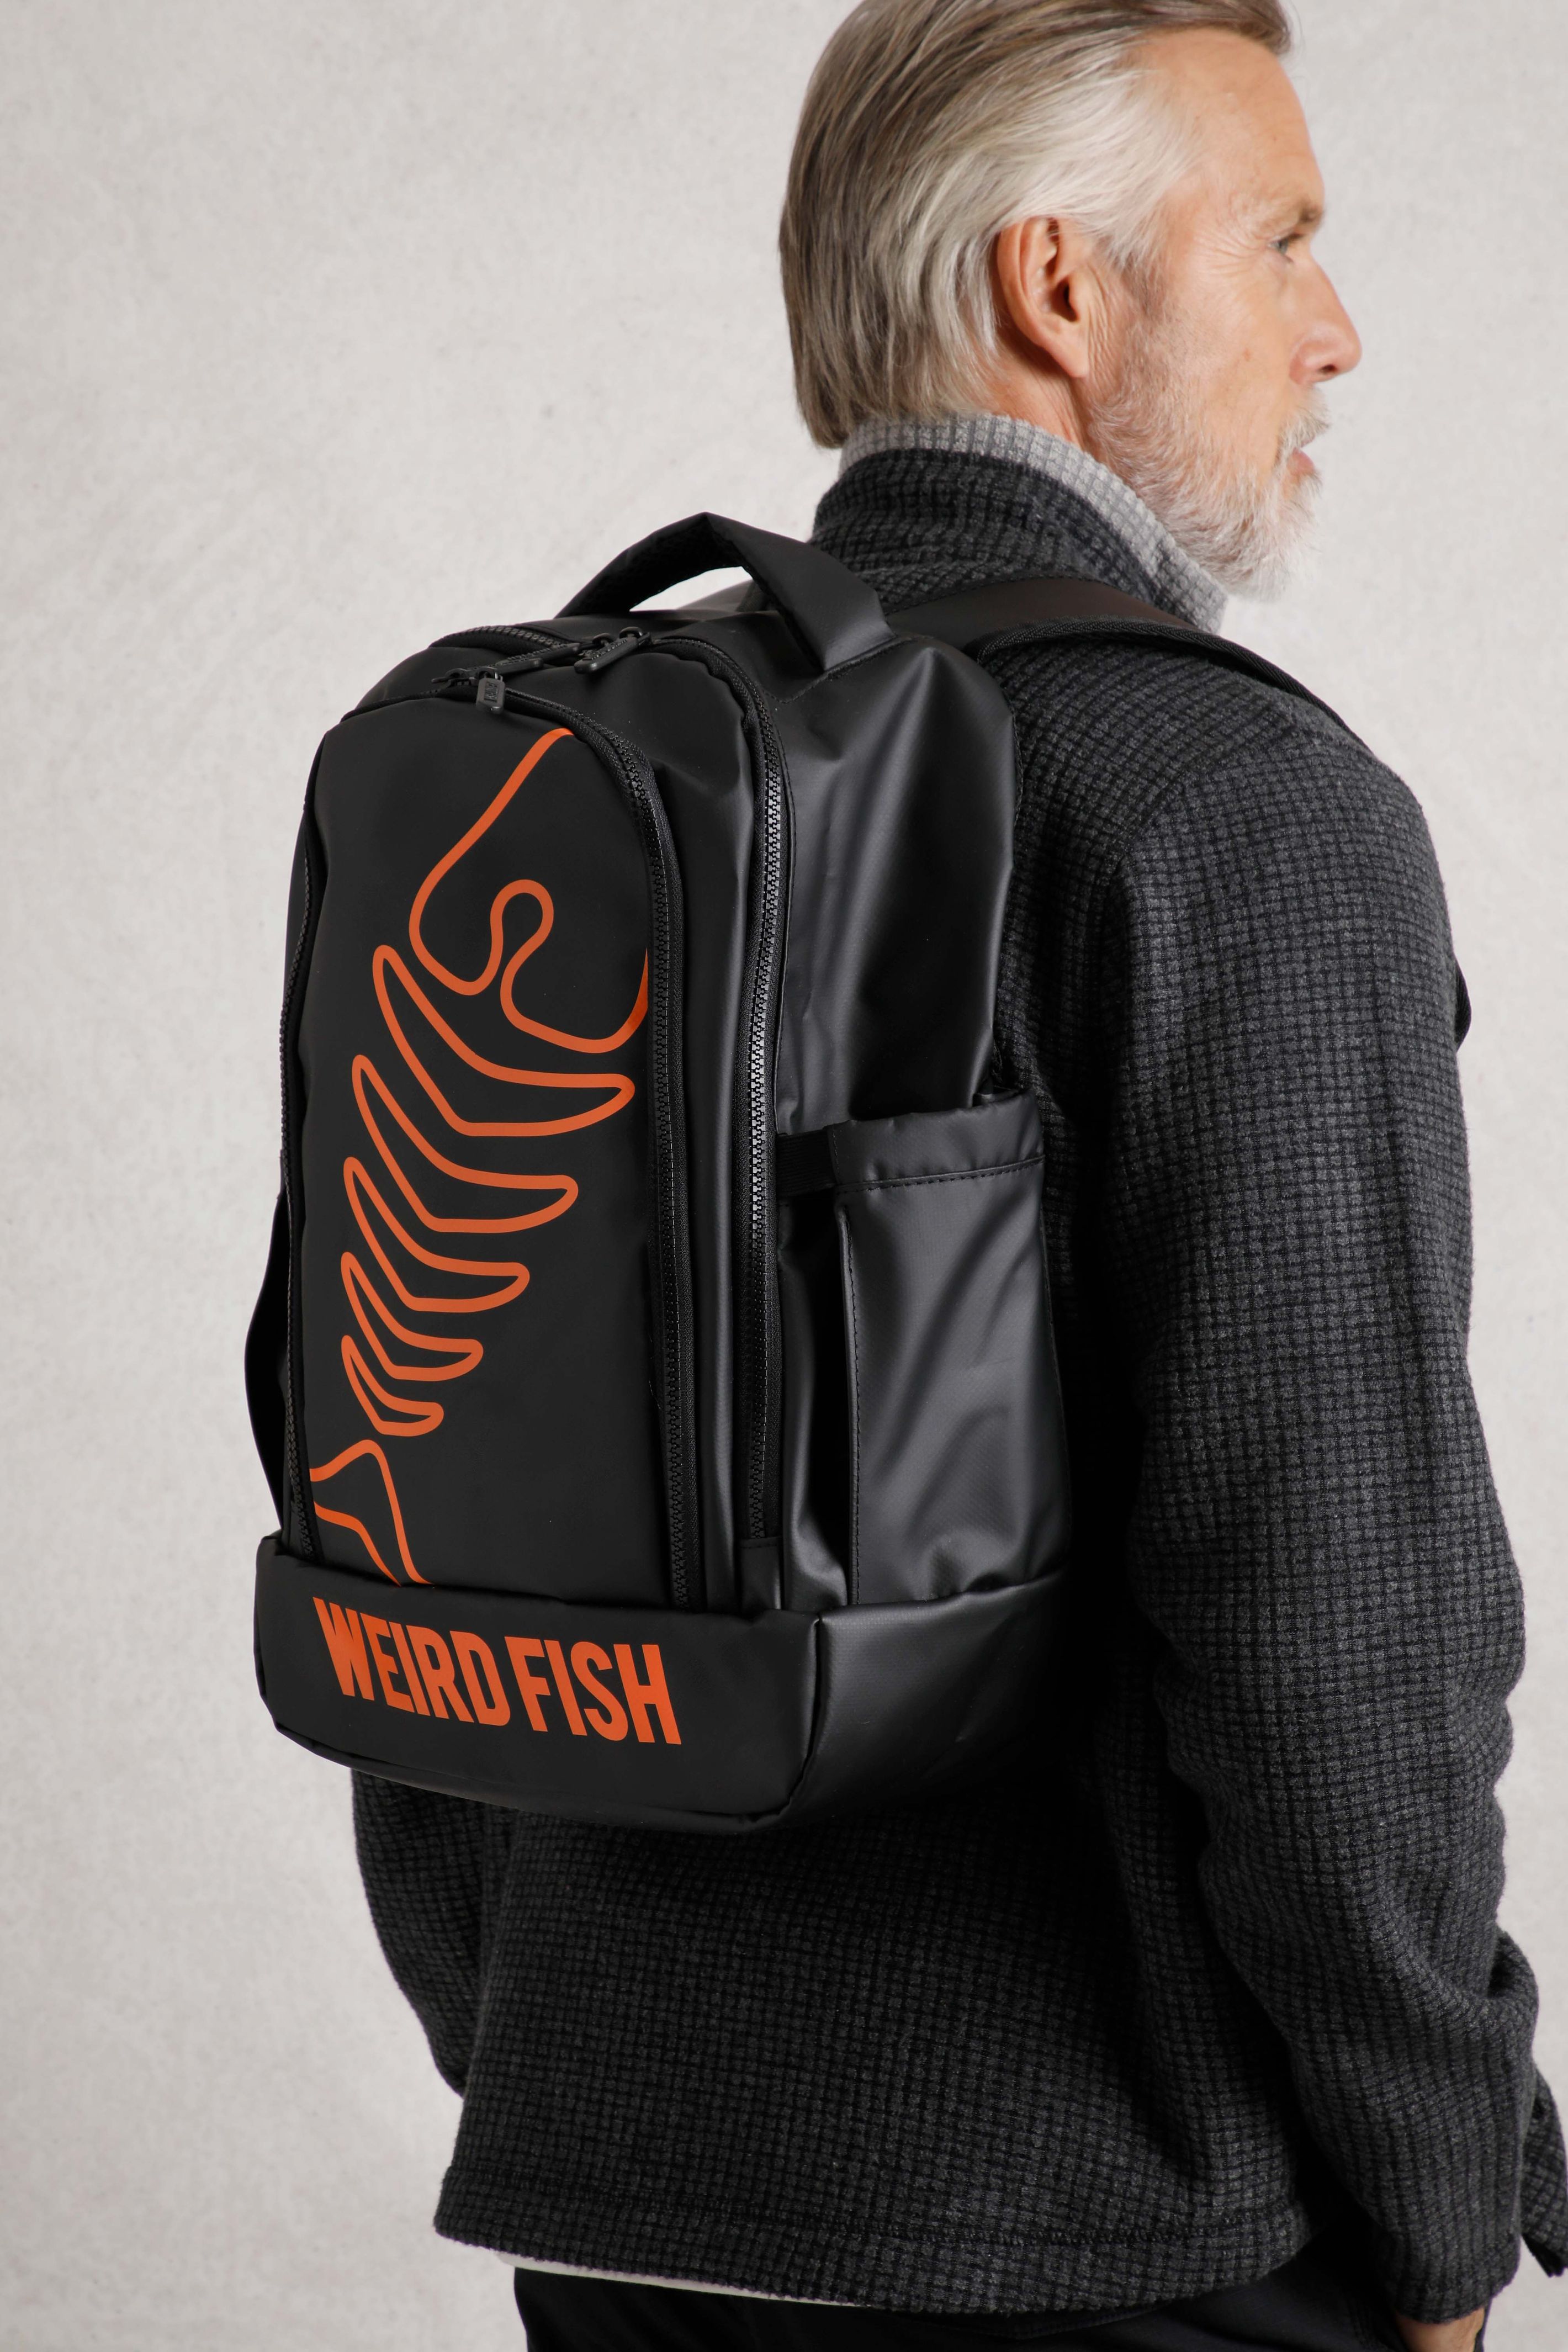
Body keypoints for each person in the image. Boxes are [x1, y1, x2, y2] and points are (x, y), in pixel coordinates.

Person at [353, 4, 1568, 2347]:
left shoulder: (572, 773)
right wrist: (1444, 2203)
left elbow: (410, 1463)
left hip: (624, 2210)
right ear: (1058, 285)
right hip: (1123, 2244)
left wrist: (551, 2054)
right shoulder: (1232, 812)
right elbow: (1336, 1624)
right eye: (1280, 239)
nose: (1334, 329)